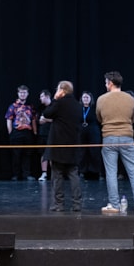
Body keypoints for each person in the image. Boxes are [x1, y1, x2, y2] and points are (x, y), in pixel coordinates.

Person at [95, 70, 134, 213]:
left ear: (111, 83)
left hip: (109, 138)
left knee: (111, 173)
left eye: (106, 82)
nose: (105, 85)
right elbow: (133, 117)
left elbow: (99, 118)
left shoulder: (101, 99)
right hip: (127, 137)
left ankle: (114, 205)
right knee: (133, 172)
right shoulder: (130, 99)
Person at [39, 80, 83, 211]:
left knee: (57, 174)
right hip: (73, 144)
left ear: (62, 91)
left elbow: (47, 113)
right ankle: (77, 204)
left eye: (58, 89)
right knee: (73, 173)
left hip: (58, 144)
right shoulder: (77, 105)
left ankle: (59, 204)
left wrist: (55, 99)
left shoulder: (59, 103)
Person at [5, 85, 38, 180]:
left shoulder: (30, 106)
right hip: (16, 132)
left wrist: (35, 132)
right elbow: (9, 119)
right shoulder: (13, 106)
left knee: (27, 154)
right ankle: (16, 174)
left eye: (24, 92)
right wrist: (10, 133)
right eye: (21, 92)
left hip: (28, 132)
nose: (22, 94)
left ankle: (26, 174)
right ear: (18, 93)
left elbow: (33, 120)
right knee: (16, 154)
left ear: (27, 94)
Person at [79, 91, 102, 179]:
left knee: (94, 151)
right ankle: (82, 171)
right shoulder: (78, 108)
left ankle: (96, 171)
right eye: (84, 97)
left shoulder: (94, 109)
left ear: (90, 99)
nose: (85, 99)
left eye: (87, 97)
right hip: (81, 132)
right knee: (82, 152)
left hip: (93, 132)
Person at [37, 89, 53, 181]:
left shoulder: (54, 106)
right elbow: (39, 120)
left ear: (47, 97)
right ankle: (44, 173)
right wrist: (42, 120)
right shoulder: (41, 108)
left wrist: (46, 119)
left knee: (52, 154)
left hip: (52, 133)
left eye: (42, 96)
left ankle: (54, 173)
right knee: (43, 153)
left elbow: (56, 119)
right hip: (42, 134)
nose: (40, 98)